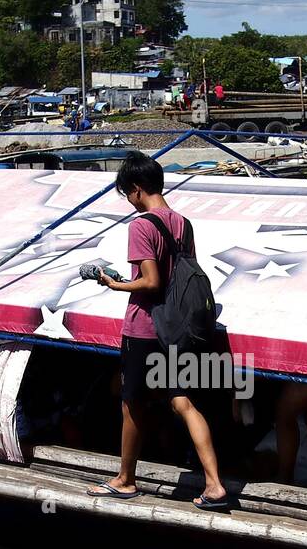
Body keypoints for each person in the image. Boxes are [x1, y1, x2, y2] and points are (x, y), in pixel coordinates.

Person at [87, 152, 229, 510]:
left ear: (135, 190)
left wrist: (113, 284)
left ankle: (125, 480)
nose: (129, 202)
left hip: (146, 328)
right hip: (178, 329)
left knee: (131, 404)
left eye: (127, 195)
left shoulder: (141, 226)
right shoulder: (183, 223)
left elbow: (151, 282)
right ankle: (214, 485)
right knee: (182, 401)